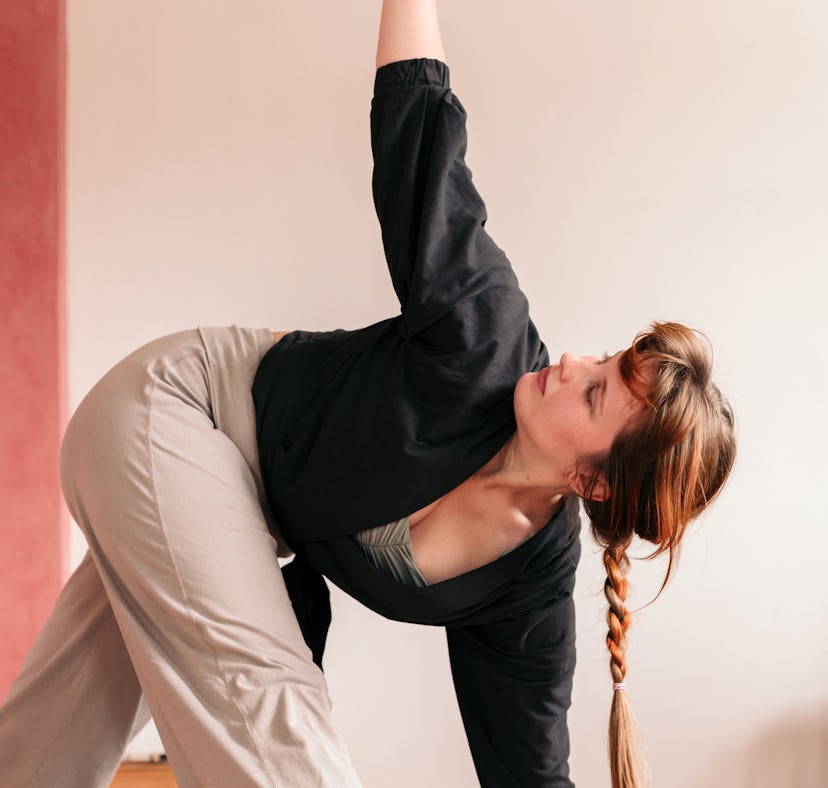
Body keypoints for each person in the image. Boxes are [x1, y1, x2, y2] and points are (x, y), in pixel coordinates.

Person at [0, 2, 735, 787]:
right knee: (274, 714)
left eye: (595, 394)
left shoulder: (529, 586)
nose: (575, 362)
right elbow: (422, 133)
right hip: (173, 415)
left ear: (592, 482)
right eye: (606, 359)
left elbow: (529, 767)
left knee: (46, 746)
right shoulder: (485, 335)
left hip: (219, 515)